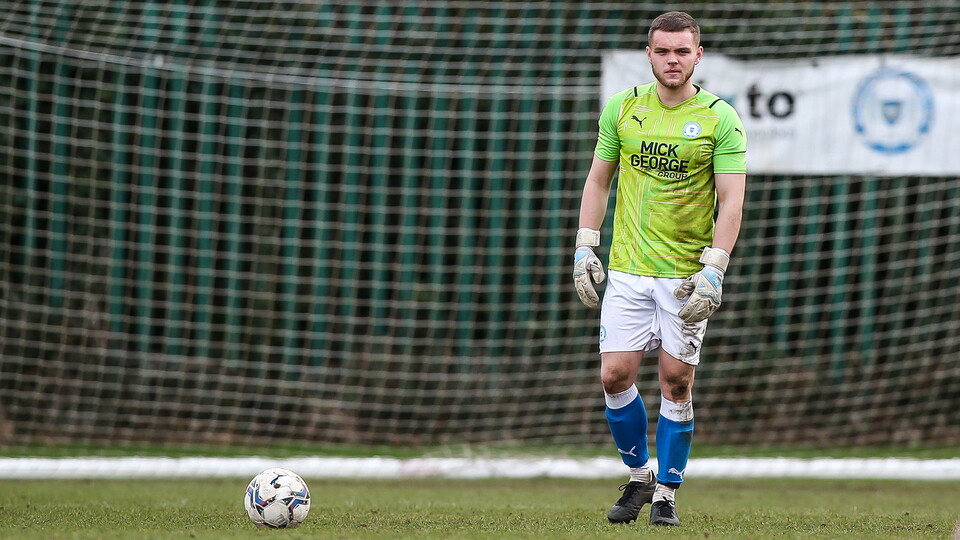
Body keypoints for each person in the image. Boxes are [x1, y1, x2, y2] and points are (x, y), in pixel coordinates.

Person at [572, 11, 746, 527]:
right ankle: (640, 476)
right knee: (614, 375)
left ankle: (667, 492)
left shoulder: (720, 117)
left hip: (685, 274)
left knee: (676, 383)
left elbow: (731, 199)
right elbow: (599, 180)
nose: (673, 60)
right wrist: (586, 244)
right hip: (627, 269)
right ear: (649, 54)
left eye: (682, 51)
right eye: (663, 51)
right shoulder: (623, 109)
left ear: (699, 56)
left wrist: (716, 266)